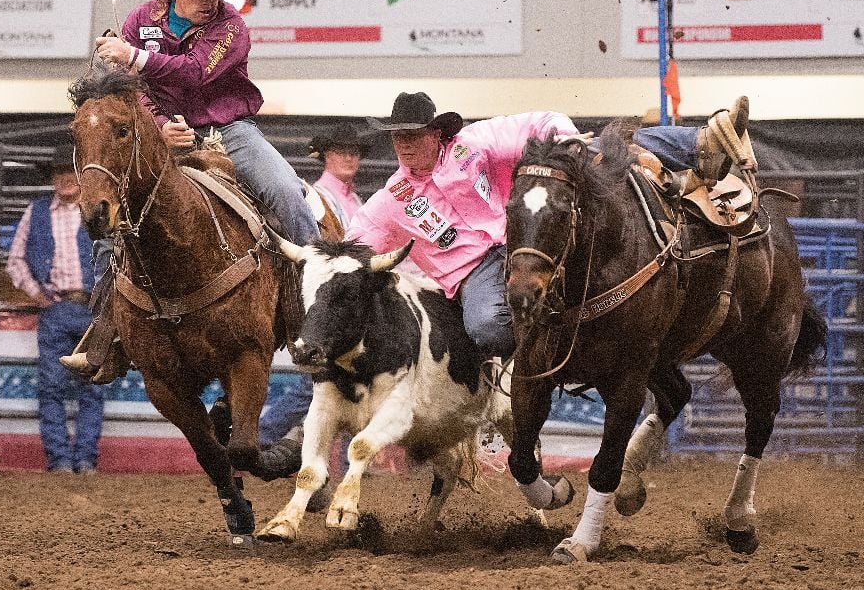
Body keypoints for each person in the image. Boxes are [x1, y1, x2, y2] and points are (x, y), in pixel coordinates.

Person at [259, 90, 750, 472]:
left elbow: (541, 122)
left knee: (597, 149)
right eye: (397, 137)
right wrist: (325, 263)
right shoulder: (395, 196)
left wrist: (567, 143)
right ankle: (545, 359)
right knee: (489, 328)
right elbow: (359, 240)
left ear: (437, 134)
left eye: (413, 135)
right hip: (479, 273)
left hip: (523, 242)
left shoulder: (474, 144)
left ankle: (702, 143)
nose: (404, 145)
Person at [65, 0, 319, 379]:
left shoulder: (232, 26)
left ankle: (318, 300)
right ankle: (107, 324)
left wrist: (135, 57)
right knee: (111, 208)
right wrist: (160, 126)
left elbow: (196, 70)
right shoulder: (138, 21)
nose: (209, 1)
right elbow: (130, 95)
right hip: (158, 134)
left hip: (227, 129)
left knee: (284, 191)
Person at [258, 124, 369, 465]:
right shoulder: (319, 197)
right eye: (340, 152)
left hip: (345, 300)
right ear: (325, 157)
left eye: (354, 152)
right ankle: (262, 437)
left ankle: (267, 438)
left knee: (340, 378)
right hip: (330, 300)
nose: (349, 157)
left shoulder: (352, 199)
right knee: (328, 379)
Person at [8, 144, 104, 475]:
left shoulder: (98, 212)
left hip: (93, 310)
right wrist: (38, 294)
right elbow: (16, 260)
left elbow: (118, 258)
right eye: (58, 173)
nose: (64, 178)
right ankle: (61, 459)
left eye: (69, 171)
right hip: (56, 307)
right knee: (52, 386)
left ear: (81, 175)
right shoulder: (35, 213)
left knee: (93, 385)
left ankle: (85, 458)